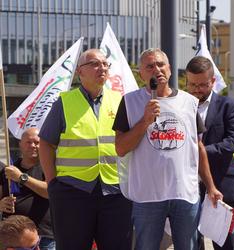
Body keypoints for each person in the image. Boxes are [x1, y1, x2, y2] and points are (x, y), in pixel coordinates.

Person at [113, 48, 222, 250]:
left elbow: (197, 147)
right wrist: (144, 122)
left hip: (185, 194)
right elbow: (120, 148)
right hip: (147, 195)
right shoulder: (129, 102)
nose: (157, 69)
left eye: (161, 64)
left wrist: (211, 186)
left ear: (170, 69)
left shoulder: (189, 102)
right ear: (141, 73)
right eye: (150, 66)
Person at [39, 49, 132, 250]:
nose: (103, 68)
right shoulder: (64, 103)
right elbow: (45, 143)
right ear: (80, 72)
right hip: (72, 192)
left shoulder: (121, 101)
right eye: (95, 64)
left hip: (115, 192)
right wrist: (52, 182)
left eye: (106, 64)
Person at [186, 56, 234, 250]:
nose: (196, 89)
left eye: (202, 85)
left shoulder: (230, 106)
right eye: (192, 84)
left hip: (222, 187)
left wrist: (200, 152)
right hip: (189, 188)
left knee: (227, 245)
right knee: (192, 243)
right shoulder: (180, 105)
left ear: (213, 81)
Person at [0, 128, 54, 250]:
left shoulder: (49, 166)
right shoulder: (8, 169)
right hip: (13, 239)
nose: (33, 146)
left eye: (37, 142)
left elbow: (50, 192)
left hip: (44, 236)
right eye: (28, 142)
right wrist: (1, 204)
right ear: (20, 144)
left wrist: (21, 177)